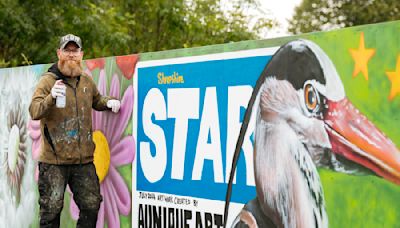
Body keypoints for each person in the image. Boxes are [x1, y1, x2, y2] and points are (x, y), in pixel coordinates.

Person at [29, 34, 121, 228]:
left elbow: (96, 100)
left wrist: (108, 102)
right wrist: (51, 97)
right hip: (54, 162)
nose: (71, 55)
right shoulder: (48, 81)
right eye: (67, 50)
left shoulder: (86, 81)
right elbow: (34, 111)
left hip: (83, 161)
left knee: (91, 205)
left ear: (81, 54)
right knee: (51, 211)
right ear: (59, 53)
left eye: (75, 51)